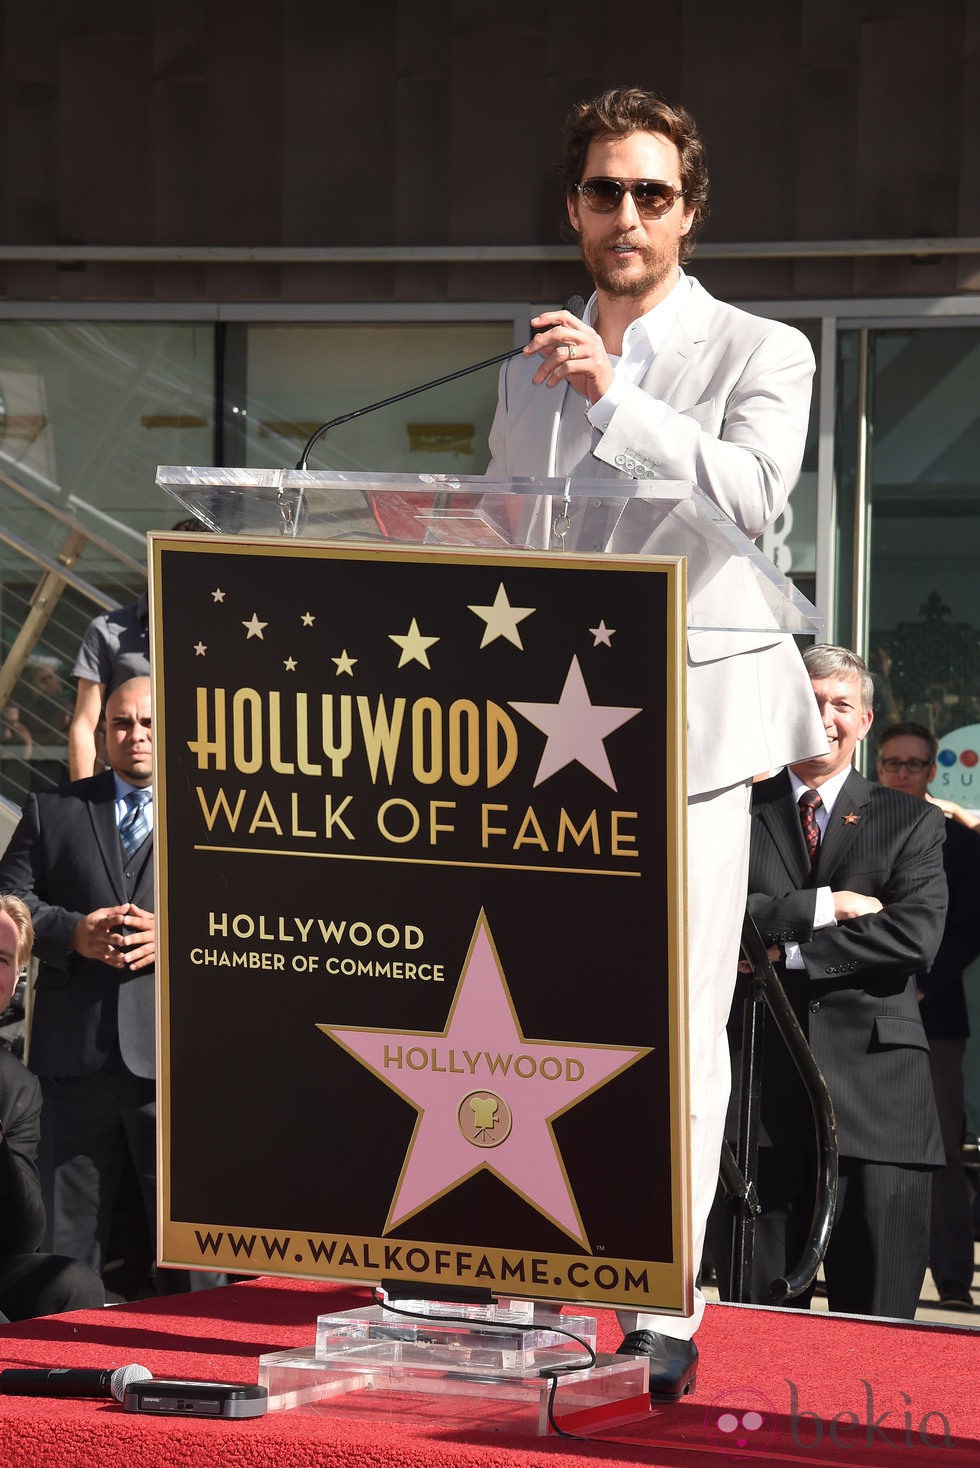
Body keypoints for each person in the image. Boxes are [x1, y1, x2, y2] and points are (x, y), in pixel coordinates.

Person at [486, 85, 827, 1398]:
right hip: (544, 731)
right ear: (571, 208)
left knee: (674, 1019)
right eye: (602, 192)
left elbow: (751, 501)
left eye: (652, 194)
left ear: (691, 211)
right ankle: (519, 1268)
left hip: (682, 726)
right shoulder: (529, 363)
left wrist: (617, 390)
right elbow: (520, 542)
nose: (626, 215)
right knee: (530, 1010)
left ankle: (655, 1291)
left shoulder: (761, 350)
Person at [728, 647, 947, 1319]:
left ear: (865, 720)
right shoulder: (733, 811)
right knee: (756, 1338)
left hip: (881, 1107)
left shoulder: (908, 819)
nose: (824, 716)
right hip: (764, 1099)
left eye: (841, 705)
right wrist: (829, 906)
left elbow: (915, 937)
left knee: (882, 1334)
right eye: (811, 700)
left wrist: (786, 953)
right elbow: (717, 914)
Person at [0, 676, 220, 1295]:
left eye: (148, 722)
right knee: (67, 1241)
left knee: (190, 1241)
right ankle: (61, 1365)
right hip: (74, 1063)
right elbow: (8, 901)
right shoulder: (53, 809)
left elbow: (252, 912)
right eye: (122, 724)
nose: (137, 735)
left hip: (176, 1061)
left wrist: (174, 938)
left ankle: (203, 1357)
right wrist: (72, 932)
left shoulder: (215, 808)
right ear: (101, 736)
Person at [876, 721, 980, 1310]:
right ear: (880, 763)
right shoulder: (851, 827)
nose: (903, 773)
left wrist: (923, 984)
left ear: (931, 771)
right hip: (856, 1009)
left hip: (935, 1017)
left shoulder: (961, 843)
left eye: (914, 764)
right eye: (893, 763)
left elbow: (969, 927)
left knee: (939, 1148)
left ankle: (954, 1283)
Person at [0, 893, 105, 1321]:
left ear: (15, 979)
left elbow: (22, 1233)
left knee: (71, 1283)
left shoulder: (16, 1085)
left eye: (2, 959)